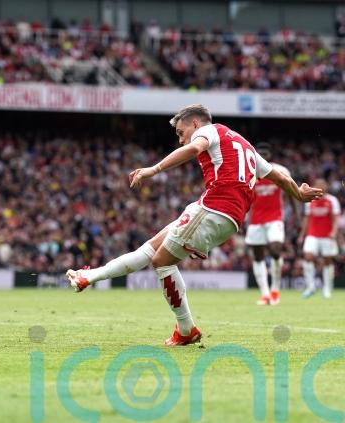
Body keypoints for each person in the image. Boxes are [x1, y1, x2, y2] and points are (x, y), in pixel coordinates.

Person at [66, 104, 323, 346]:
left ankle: (186, 329)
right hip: (223, 213)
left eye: (181, 132)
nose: (181, 139)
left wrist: (153, 169)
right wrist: (299, 194)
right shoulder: (243, 144)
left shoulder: (209, 131)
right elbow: (279, 176)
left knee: (161, 261)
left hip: (214, 208)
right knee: (150, 248)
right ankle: (88, 276)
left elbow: (193, 148)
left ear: (196, 123)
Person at [245, 143, 295, 306]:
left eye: (265, 154)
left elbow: (291, 191)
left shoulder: (280, 170)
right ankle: (265, 294)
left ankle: (275, 289)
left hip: (275, 218)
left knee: (275, 250)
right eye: (260, 153)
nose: (263, 156)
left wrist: (296, 215)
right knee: (258, 256)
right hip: (255, 220)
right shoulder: (248, 171)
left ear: (269, 155)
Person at [298, 179, 341, 299]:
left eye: (322, 186)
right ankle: (311, 287)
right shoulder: (310, 201)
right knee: (308, 257)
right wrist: (302, 234)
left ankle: (327, 288)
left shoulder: (332, 200)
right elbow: (307, 219)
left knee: (327, 261)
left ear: (326, 187)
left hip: (327, 236)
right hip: (312, 235)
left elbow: (336, 219)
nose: (320, 187)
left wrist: (334, 232)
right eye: (318, 186)